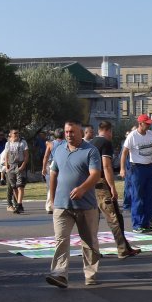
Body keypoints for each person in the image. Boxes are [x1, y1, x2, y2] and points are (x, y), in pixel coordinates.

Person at [46, 120, 103, 288]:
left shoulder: (90, 151)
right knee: (61, 240)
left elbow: (95, 174)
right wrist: (52, 197)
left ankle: (90, 274)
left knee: (89, 242)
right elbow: (54, 173)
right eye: (66, 131)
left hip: (86, 206)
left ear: (80, 132)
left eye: (72, 132)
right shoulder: (58, 149)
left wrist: (82, 189)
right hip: (62, 205)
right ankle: (59, 274)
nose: (69, 135)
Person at [90, 121, 140, 259]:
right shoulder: (105, 143)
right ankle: (122, 249)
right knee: (114, 218)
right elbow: (106, 166)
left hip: (90, 184)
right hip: (101, 183)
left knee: (94, 220)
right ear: (109, 131)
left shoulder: (91, 142)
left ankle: (94, 250)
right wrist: (112, 187)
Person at [119, 114, 152, 232]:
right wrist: (122, 169)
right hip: (137, 168)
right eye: (147, 123)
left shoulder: (150, 135)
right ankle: (137, 224)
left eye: (150, 123)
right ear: (140, 123)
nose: (149, 125)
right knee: (137, 196)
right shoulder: (132, 136)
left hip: (149, 167)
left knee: (149, 195)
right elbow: (124, 153)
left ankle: (147, 222)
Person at [41, 128, 66, 214]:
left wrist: (44, 168)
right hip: (63, 165)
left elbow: (46, 157)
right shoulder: (66, 143)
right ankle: (61, 204)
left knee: (50, 187)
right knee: (62, 186)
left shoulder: (51, 144)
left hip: (52, 164)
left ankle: (49, 206)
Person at [4, 129, 30, 214]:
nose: (17, 134)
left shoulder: (23, 142)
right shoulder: (8, 143)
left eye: (18, 133)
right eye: (15, 133)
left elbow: (26, 155)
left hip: (19, 164)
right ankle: (18, 205)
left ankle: (19, 204)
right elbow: (6, 156)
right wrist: (6, 167)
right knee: (14, 186)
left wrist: (23, 165)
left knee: (20, 186)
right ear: (10, 134)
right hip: (11, 166)